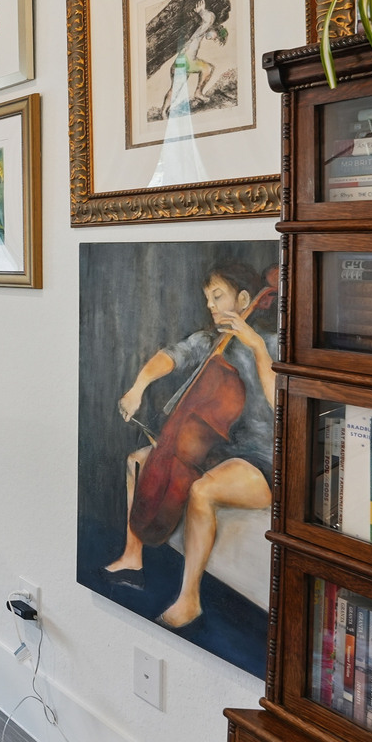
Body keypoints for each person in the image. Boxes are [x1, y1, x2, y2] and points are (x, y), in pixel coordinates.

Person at [103, 261, 277, 628]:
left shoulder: (272, 343)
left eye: (218, 296)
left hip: (260, 458)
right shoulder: (211, 341)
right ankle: (133, 556)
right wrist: (138, 387)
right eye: (207, 299)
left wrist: (259, 348)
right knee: (138, 458)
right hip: (217, 449)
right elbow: (170, 355)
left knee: (202, 491)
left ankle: (189, 599)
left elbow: (282, 404)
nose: (211, 305)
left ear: (245, 298)